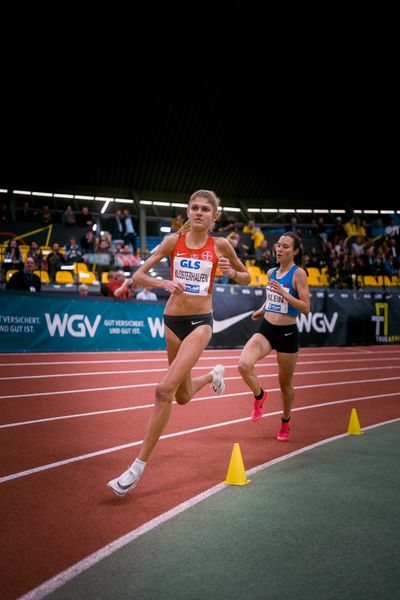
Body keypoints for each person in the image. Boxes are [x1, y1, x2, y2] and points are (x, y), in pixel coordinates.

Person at [107, 189, 251, 496]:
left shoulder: (221, 245)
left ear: (215, 216)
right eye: (194, 208)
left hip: (200, 324)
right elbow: (138, 276)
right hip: (171, 323)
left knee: (163, 391)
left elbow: (248, 277)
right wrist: (163, 283)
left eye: (204, 209)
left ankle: (136, 469)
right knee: (183, 395)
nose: (198, 213)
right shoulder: (173, 242)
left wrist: (232, 273)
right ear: (188, 212)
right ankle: (213, 375)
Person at [238, 232, 310, 442]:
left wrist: (286, 294)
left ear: (295, 251)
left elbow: (306, 307)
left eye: (285, 246)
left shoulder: (299, 274)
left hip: (287, 334)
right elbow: (272, 298)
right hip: (267, 327)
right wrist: (262, 309)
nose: (279, 249)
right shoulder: (271, 272)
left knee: (285, 385)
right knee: (243, 364)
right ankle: (260, 395)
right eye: (278, 245)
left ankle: (285, 421)